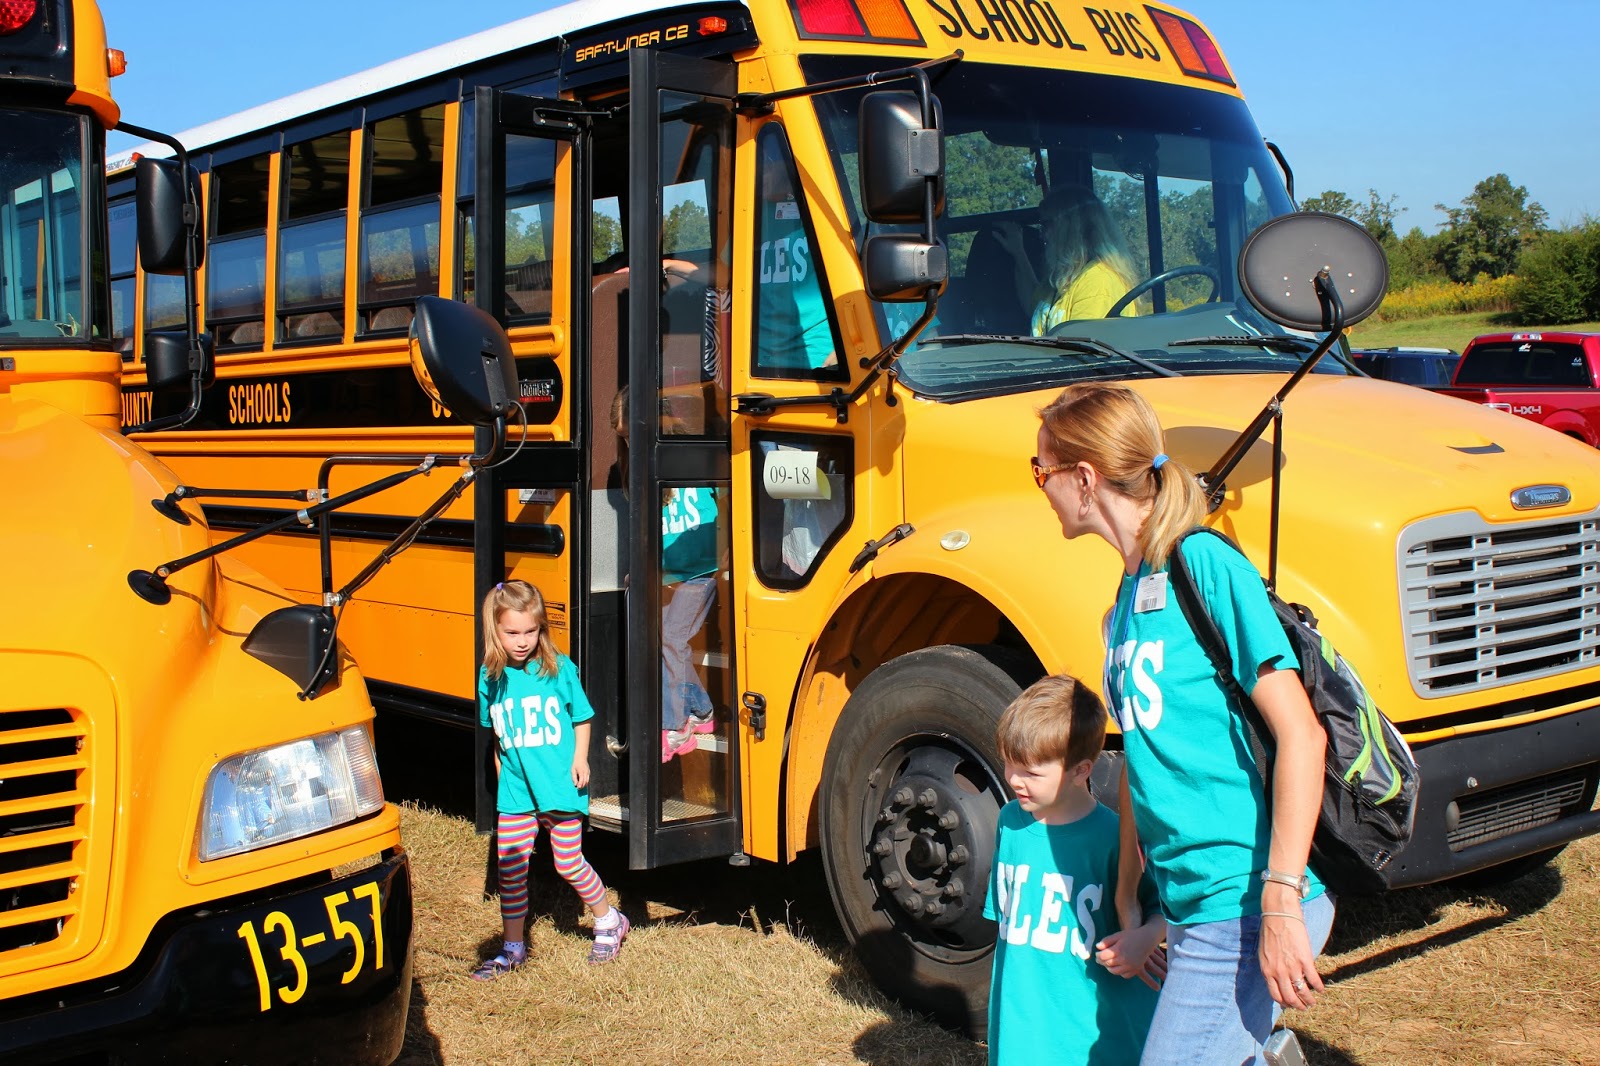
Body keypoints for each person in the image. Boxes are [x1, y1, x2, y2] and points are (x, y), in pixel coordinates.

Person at [1032, 381, 1332, 1065]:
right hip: (1192, 908)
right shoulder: (1123, 603)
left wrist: (1280, 905)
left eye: (1041, 470)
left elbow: (1302, 734)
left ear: (1085, 478)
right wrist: (1134, 903)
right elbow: (1146, 760)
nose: (1039, 486)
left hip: (1247, 898)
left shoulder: (1204, 564)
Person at [986, 674, 1166, 1066]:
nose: (1014, 780)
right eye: (1009, 764)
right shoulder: (1009, 823)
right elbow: (1008, 933)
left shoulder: (1115, 838)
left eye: (1031, 773)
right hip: (1023, 1031)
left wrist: (1146, 938)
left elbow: (1166, 909)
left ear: (1081, 770)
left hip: (1096, 1037)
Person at [472, 579, 629, 976]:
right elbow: (497, 738)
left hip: (560, 785)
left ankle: (609, 920)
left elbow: (582, 717)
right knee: (510, 866)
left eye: (530, 631)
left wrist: (580, 759)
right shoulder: (490, 678)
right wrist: (501, 781)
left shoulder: (558, 669)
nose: (522, 641)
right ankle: (512, 947)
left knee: (567, 862)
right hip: (516, 793)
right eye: (512, 633)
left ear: (541, 628)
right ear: (496, 630)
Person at [607, 389, 722, 762]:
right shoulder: (635, 470)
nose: (628, 443)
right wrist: (639, 569)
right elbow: (645, 530)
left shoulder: (691, 455)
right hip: (665, 573)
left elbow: (727, 501)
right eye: (623, 438)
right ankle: (701, 711)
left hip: (701, 569)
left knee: (673, 638)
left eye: (633, 434)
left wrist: (728, 555)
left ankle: (675, 727)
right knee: (665, 642)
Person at [998, 185, 1140, 333]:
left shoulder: (1098, 282)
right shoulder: (1062, 279)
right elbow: (1033, 306)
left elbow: (1080, 350)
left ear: (1070, 228)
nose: (1042, 235)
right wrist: (1018, 253)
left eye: (1047, 224)